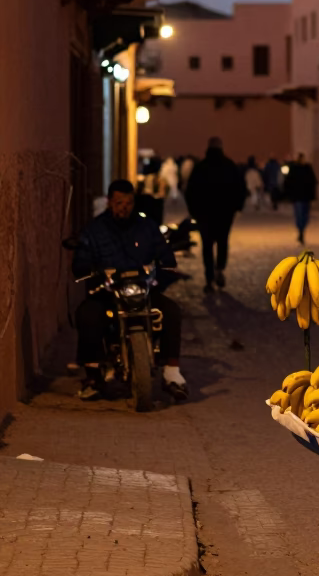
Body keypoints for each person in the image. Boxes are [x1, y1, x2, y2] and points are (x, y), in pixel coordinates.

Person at [72, 179, 187, 401]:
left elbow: (165, 257)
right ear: (109, 202)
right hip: (108, 292)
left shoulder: (147, 227)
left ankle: (172, 372)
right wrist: (89, 270)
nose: (123, 207)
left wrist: (160, 274)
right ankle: (93, 374)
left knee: (171, 311)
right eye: (118, 202)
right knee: (88, 314)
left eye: (128, 202)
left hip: (143, 289)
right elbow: (81, 260)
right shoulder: (95, 230)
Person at [185, 137, 247, 292]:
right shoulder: (229, 165)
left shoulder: (201, 167)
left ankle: (209, 277)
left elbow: (190, 191)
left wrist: (194, 211)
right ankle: (219, 269)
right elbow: (240, 188)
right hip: (224, 213)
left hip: (204, 214)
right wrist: (237, 207)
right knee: (222, 241)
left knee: (207, 245)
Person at [283, 153, 318, 245]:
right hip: (298, 196)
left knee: (305, 215)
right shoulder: (294, 169)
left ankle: (302, 230)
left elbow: (313, 182)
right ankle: (301, 231)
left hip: (305, 196)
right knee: (299, 215)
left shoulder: (307, 169)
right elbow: (288, 183)